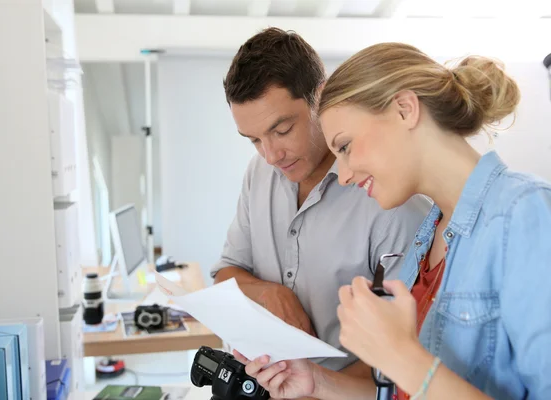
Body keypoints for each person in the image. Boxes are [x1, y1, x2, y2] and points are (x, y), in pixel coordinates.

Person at [236, 42, 551, 400]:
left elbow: (414, 373)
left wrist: (402, 356)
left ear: (404, 109)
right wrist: (317, 381)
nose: (344, 175)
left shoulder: (524, 213)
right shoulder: (424, 239)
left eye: (346, 146)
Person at [212, 29, 430, 378]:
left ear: (321, 96)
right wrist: (269, 293)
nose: (270, 155)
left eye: (282, 130)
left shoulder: (394, 201)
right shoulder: (259, 173)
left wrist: (318, 389)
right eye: (254, 140)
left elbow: (407, 350)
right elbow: (226, 274)